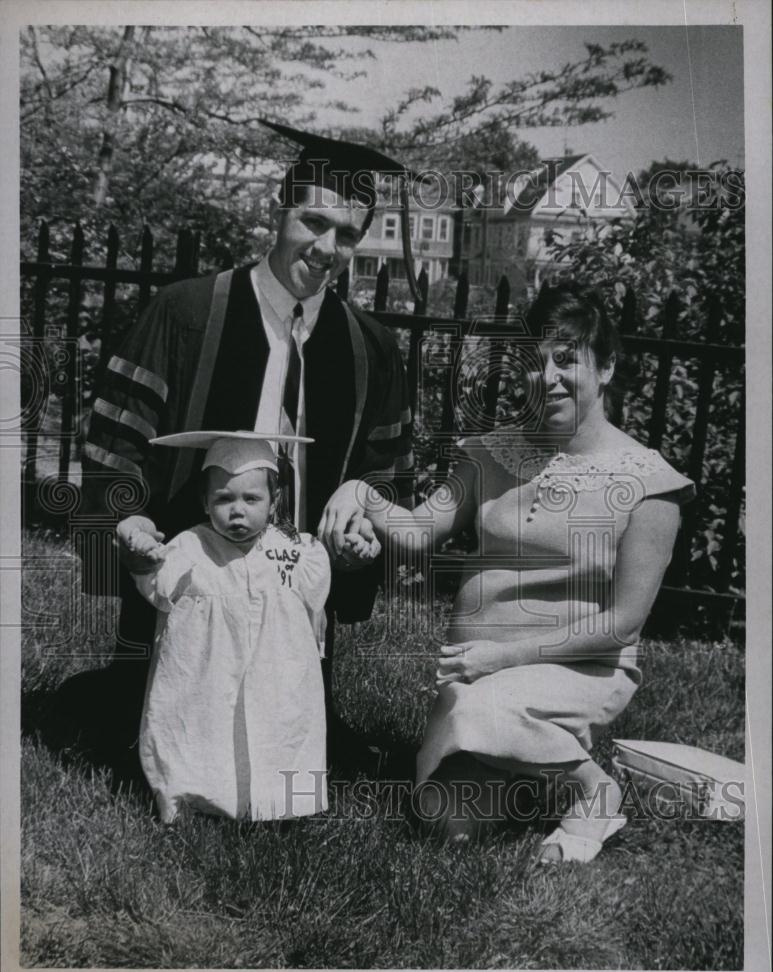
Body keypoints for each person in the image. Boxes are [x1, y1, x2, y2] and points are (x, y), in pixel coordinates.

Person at [68, 121, 416, 778]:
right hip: (180, 581)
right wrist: (128, 517)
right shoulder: (186, 312)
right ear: (277, 209)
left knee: (286, 746)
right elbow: (116, 445)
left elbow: (384, 472)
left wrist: (362, 514)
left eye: (346, 234)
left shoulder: (370, 348)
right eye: (312, 221)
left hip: (294, 597)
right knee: (140, 730)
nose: (325, 246)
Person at [319, 283, 695, 862]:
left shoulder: (650, 485)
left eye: (566, 359)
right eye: (534, 362)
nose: (547, 378)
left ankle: (594, 789)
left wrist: (503, 658)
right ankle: (527, 769)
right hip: (473, 676)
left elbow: (621, 625)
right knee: (448, 826)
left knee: (483, 712)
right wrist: (358, 491)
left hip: (577, 669)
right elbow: (420, 532)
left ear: (608, 366)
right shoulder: (490, 453)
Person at [124, 431, 379, 822]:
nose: (237, 511)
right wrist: (142, 558)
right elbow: (155, 585)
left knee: (284, 728)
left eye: (251, 499)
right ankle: (189, 800)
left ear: (274, 502)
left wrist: (355, 552)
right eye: (224, 499)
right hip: (206, 675)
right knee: (201, 730)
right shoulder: (189, 547)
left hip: (277, 676)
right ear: (204, 501)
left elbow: (325, 575)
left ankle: (287, 803)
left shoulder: (293, 549)